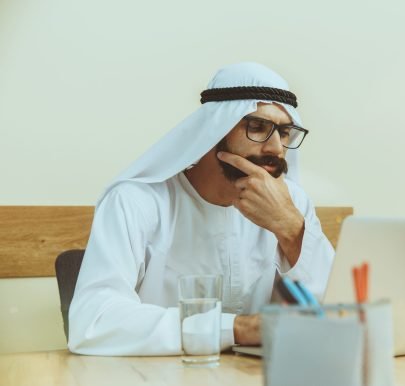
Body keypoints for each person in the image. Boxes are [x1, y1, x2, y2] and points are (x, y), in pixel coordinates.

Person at [68, 62, 335, 356]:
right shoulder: (135, 201)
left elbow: (338, 313)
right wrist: (237, 329)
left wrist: (292, 229)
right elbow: (93, 321)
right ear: (214, 130)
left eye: (284, 132)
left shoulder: (291, 205)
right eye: (257, 127)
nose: (275, 148)